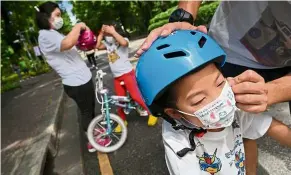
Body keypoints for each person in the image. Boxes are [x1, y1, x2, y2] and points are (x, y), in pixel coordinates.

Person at [136, 1, 291, 174]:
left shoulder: (235, 114)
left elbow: (269, 126)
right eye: (200, 99)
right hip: (236, 49)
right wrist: (185, 17)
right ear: (174, 113)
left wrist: (274, 91)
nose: (219, 99)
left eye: (219, 83)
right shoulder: (180, 149)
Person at [35, 1, 107, 153]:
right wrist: (78, 26)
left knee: (88, 110)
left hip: (81, 80)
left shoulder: (53, 33)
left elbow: (72, 46)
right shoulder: (44, 36)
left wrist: (84, 40)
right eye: (57, 15)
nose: (60, 18)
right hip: (77, 82)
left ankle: (93, 137)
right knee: (87, 112)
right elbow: (67, 43)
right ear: (45, 17)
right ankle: (93, 141)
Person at [95, 22, 158, 132]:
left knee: (136, 96)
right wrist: (101, 33)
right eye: (107, 33)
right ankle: (122, 120)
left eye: (110, 32)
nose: (108, 35)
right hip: (117, 77)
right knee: (119, 101)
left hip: (127, 74)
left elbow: (124, 43)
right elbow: (97, 46)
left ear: (116, 31)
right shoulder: (108, 45)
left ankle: (152, 113)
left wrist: (112, 32)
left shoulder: (122, 40)